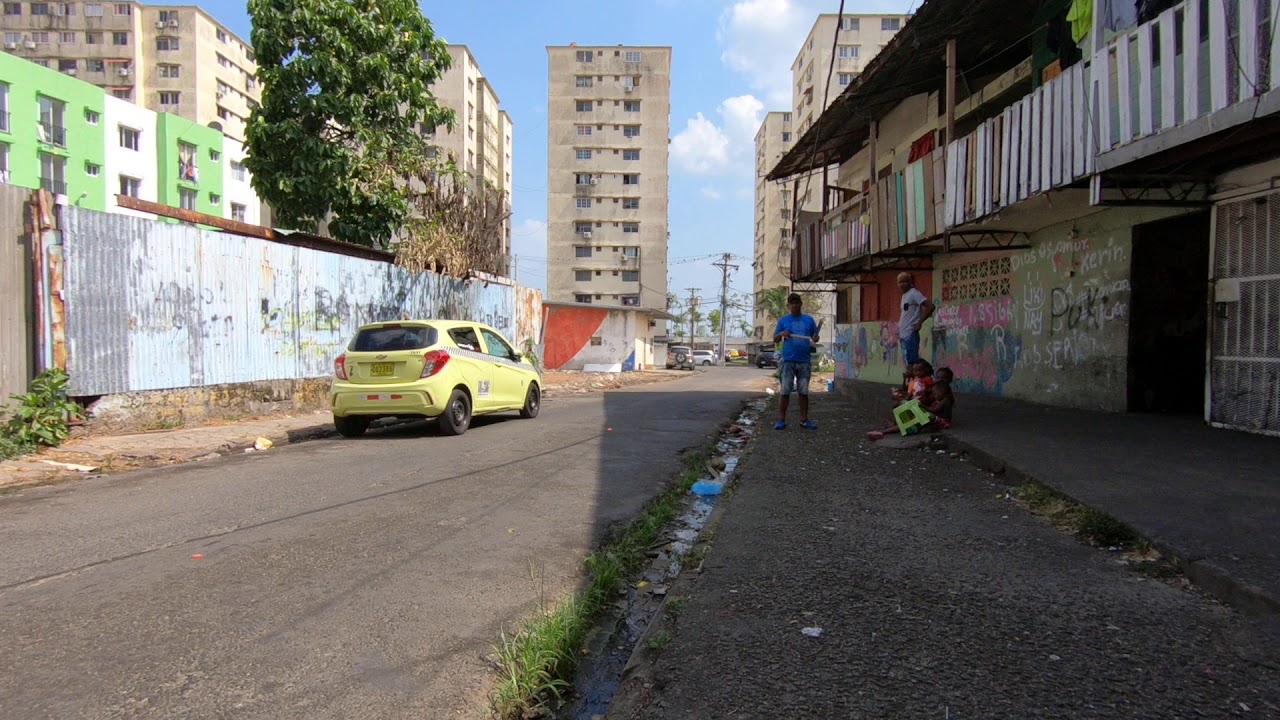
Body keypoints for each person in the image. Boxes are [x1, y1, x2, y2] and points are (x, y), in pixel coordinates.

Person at [773, 293, 821, 430]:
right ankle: (781, 420)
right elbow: (775, 339)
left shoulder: (808, 320)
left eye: (796, 303)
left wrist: (815, 337)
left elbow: (814, 337)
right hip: (788, 361)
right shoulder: (783, 321)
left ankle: (804, 420)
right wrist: (782, 334)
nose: (794, 305)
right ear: (788, 305)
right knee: (785, 391)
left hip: (804, 361)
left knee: (803, 392)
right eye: (791, 303)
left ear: (800, 304)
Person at [896, 272, 934, 369]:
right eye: (900, 282)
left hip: (910, 333)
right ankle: (911, 383)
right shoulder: (904, 296)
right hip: (904, 335)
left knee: (913, 363)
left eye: (904, 281)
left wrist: (919, 322)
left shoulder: (914, 293)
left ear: (910, 282)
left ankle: (916, 383)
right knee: (908, 363)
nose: (902, 284)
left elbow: (930, 306)